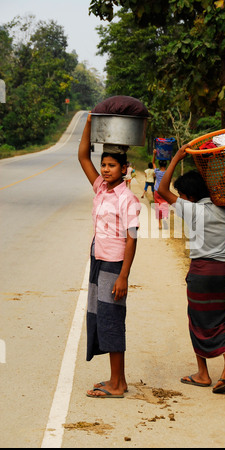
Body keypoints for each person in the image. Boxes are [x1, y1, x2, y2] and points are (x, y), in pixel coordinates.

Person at [158, 144, 225, 394]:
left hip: (201, 272)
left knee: (197, 319)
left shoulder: (192, 209)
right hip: (222, 272)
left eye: (183, 195)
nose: (181, 199)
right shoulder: (222, 209)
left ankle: (203, 374)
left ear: (191, 196)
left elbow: (162, 190)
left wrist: (176, 156)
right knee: (219, 318)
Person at [78, 113, 141, 398]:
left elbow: (132, 239)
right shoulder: (101, 188)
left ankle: (117, 385)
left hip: (114, 266)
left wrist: (124, 276)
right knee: (103, 316)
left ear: (124, 169)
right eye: (103, 164)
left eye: (111, 165)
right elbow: (82, 157)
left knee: (112, 319)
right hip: (98, 259)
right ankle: (120, 380)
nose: (104, 169)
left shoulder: (127, 199)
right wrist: (90, 123)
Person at [152, 150, 169, 229]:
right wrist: (170, 156)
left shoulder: (157, 172)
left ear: (159, 165)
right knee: (165, 205)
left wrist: (154, 154)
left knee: (157, 207)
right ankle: (165, 217)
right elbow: (173, 164)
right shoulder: (168, 172)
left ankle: (159, 224)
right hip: (165, 192)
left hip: (157, 191)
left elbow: (153, 163)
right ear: (166, 165)